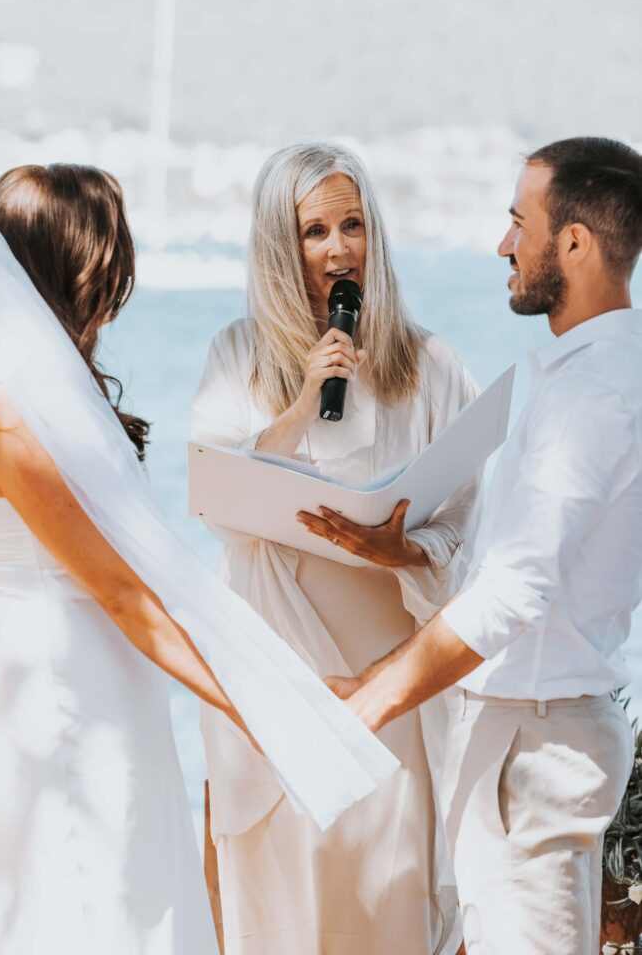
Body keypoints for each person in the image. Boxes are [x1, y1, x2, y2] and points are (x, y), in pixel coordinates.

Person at [0, 164, 397, 955]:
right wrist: (265, 708)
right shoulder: (7, 414)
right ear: (77, 265)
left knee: (133, 898)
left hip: (110, 694)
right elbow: (125, 595)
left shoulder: (49, 391)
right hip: (62, 704)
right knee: (89, 912)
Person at [328, 137, 642, 955]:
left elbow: (517, 596)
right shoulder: (602, 377)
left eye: (518, 223)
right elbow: (536, 573)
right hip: (528, 737)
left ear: (572, 243)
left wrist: (369, 700)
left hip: (532, 749)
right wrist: (415, 556)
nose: (503, 244)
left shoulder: (590, 395)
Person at [190, 141, 481, 955]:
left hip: (388, 669)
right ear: (281, 247)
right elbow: (214, 499)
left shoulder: (428, 365)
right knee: (285, 882)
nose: (337, 248)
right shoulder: (236, 355)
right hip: (275, 658)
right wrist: (293, 405)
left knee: (383, 880)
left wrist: (406, 551)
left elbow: (464, 523)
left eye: (351, 225)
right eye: (314, 230)